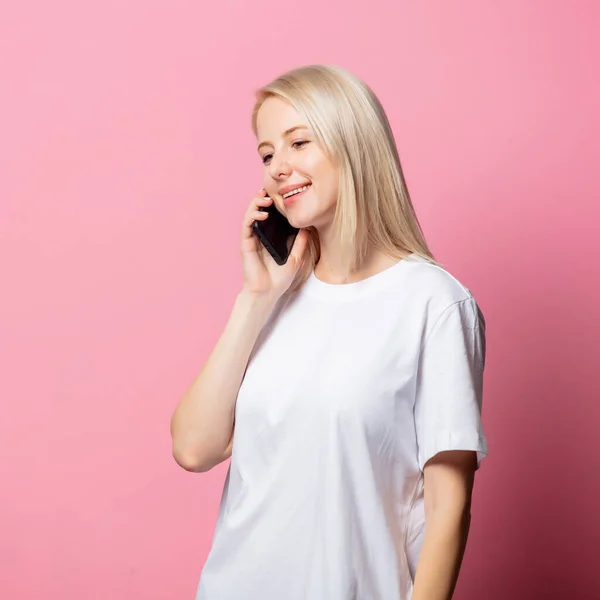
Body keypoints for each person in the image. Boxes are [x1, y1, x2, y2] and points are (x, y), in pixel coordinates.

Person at [170, 64, 489, 600]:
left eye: (299, 143)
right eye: (267, 154)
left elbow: (448, 507)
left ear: (353, 144)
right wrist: (256, 298)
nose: (278, 168)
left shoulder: (433, 304)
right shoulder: (276, 296)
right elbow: (194, 447)